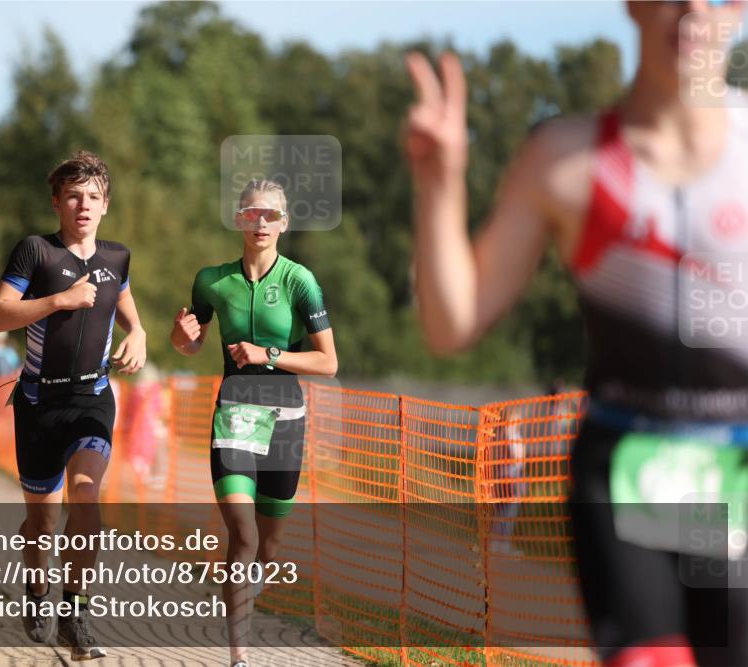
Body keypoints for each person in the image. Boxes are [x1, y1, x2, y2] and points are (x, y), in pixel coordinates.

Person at [404, 2, 747, 666]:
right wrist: (440, 183)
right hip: (626, 466)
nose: (696, 10)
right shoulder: (567, 158)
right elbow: (453, 323)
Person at [170, 179, 338, 667]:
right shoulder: (211, 281)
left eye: (270, 215)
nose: (260, 222)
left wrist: (270, 354)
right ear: (238, 219)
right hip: (236, 416)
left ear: (283, 223)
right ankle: (239, 656)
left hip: (286, 419)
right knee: (242, 535)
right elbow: (191, 343)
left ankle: (250, 582)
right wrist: (181, 337)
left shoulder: (299, 280)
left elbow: (328, 363)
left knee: (268, 545)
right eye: (250, 214)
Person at [0, 149, 146, 660]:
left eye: (94, 197)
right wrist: (59, 300)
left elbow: (122, 302)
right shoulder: (35, 252)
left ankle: (75, 612)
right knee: (42, 524)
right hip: (38, 402)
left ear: (106, 206)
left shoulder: (117, 258)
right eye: (74, 195)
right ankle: (37, 595)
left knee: (86, 501)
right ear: (56, 201)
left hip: (92, 397)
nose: (84, 204)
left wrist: (138, 333)